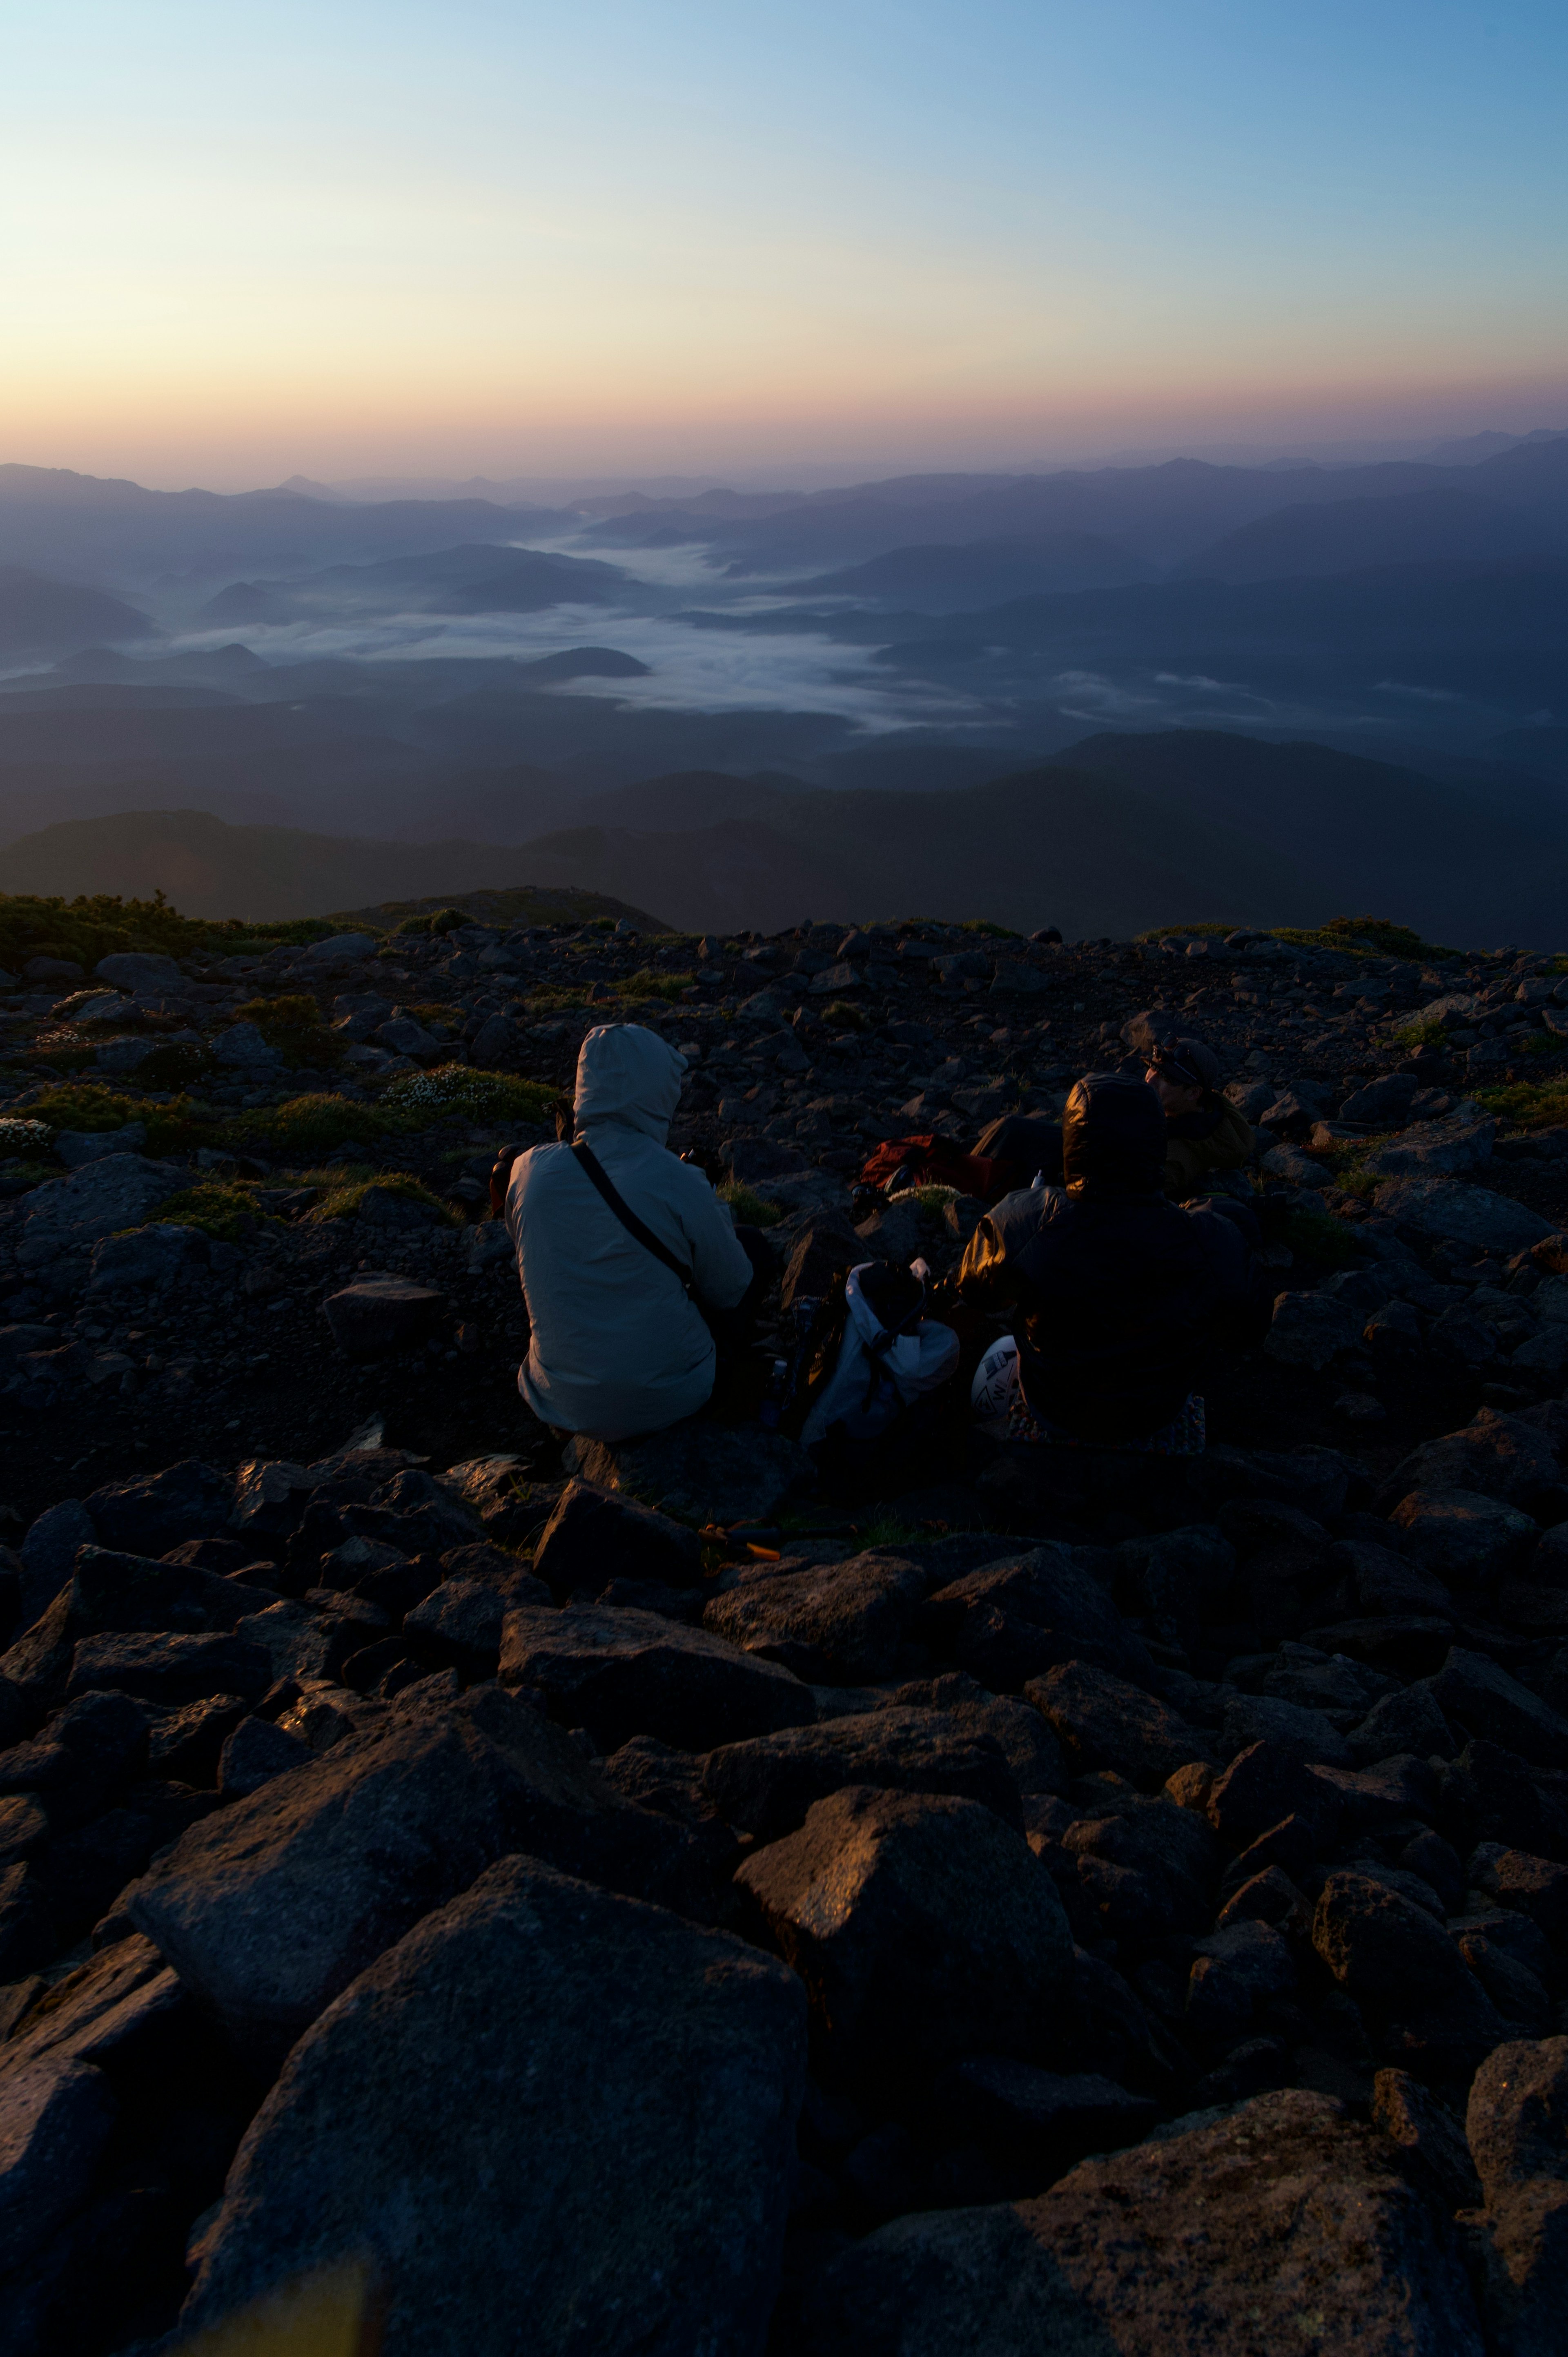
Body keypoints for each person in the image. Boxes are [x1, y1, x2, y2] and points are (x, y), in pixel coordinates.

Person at [958, 1071, 1270, 1450]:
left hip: (1056, 1409)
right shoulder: (1209, 1238)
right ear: (1157, 1140)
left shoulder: (1028, 1219)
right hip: (1155, 1415)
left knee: (1007, 1344)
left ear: (1073, 1139)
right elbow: (1247, 1329)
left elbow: (975, 1291)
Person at [491, 1023, 764, 1441]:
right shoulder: (678, 1179)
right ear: (657, 1090)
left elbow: (528, 1248)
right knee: (751, 1248)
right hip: (672, 1398)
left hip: (558, 1399)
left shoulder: (527, 1170)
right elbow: (731, 1287)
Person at [1144, 1037, 1254, 1198]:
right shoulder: (1212, 1107)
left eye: (1165, 1078)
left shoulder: (1171, 1154)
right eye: (1152, 1069)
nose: (1150, 1081)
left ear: (1194, 1093)